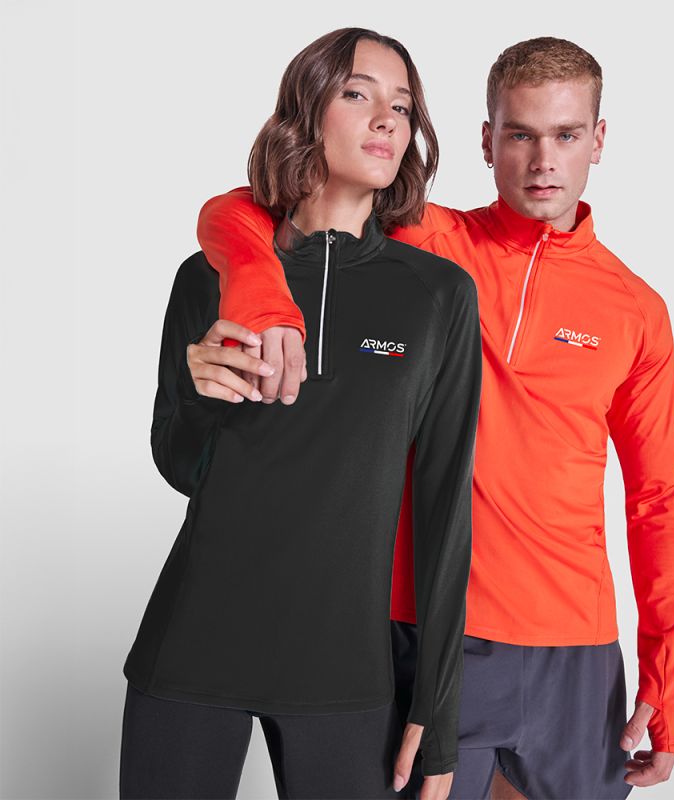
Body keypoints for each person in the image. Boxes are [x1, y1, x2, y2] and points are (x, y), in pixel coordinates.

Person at [195, 36, 674, 800]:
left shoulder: (637, 309)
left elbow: (658, 500)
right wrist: (263, 300)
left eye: (566, 135)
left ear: (598, 140)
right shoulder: (424, 242)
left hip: (576, 652)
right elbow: (240, 210)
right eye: (521, 135)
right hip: (427, 631)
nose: (543, 161)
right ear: (487, 140)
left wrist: (666, 678)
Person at [120, 28, 482, 800]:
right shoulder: (209, 275)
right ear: (304, 112)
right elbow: (181, 464)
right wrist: (202, 396)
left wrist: (439, 706)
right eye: (357, 93)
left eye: (402, 106)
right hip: (191, 650)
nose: (386, 119)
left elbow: (445, 512)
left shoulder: (437, 295)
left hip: (346, 674)